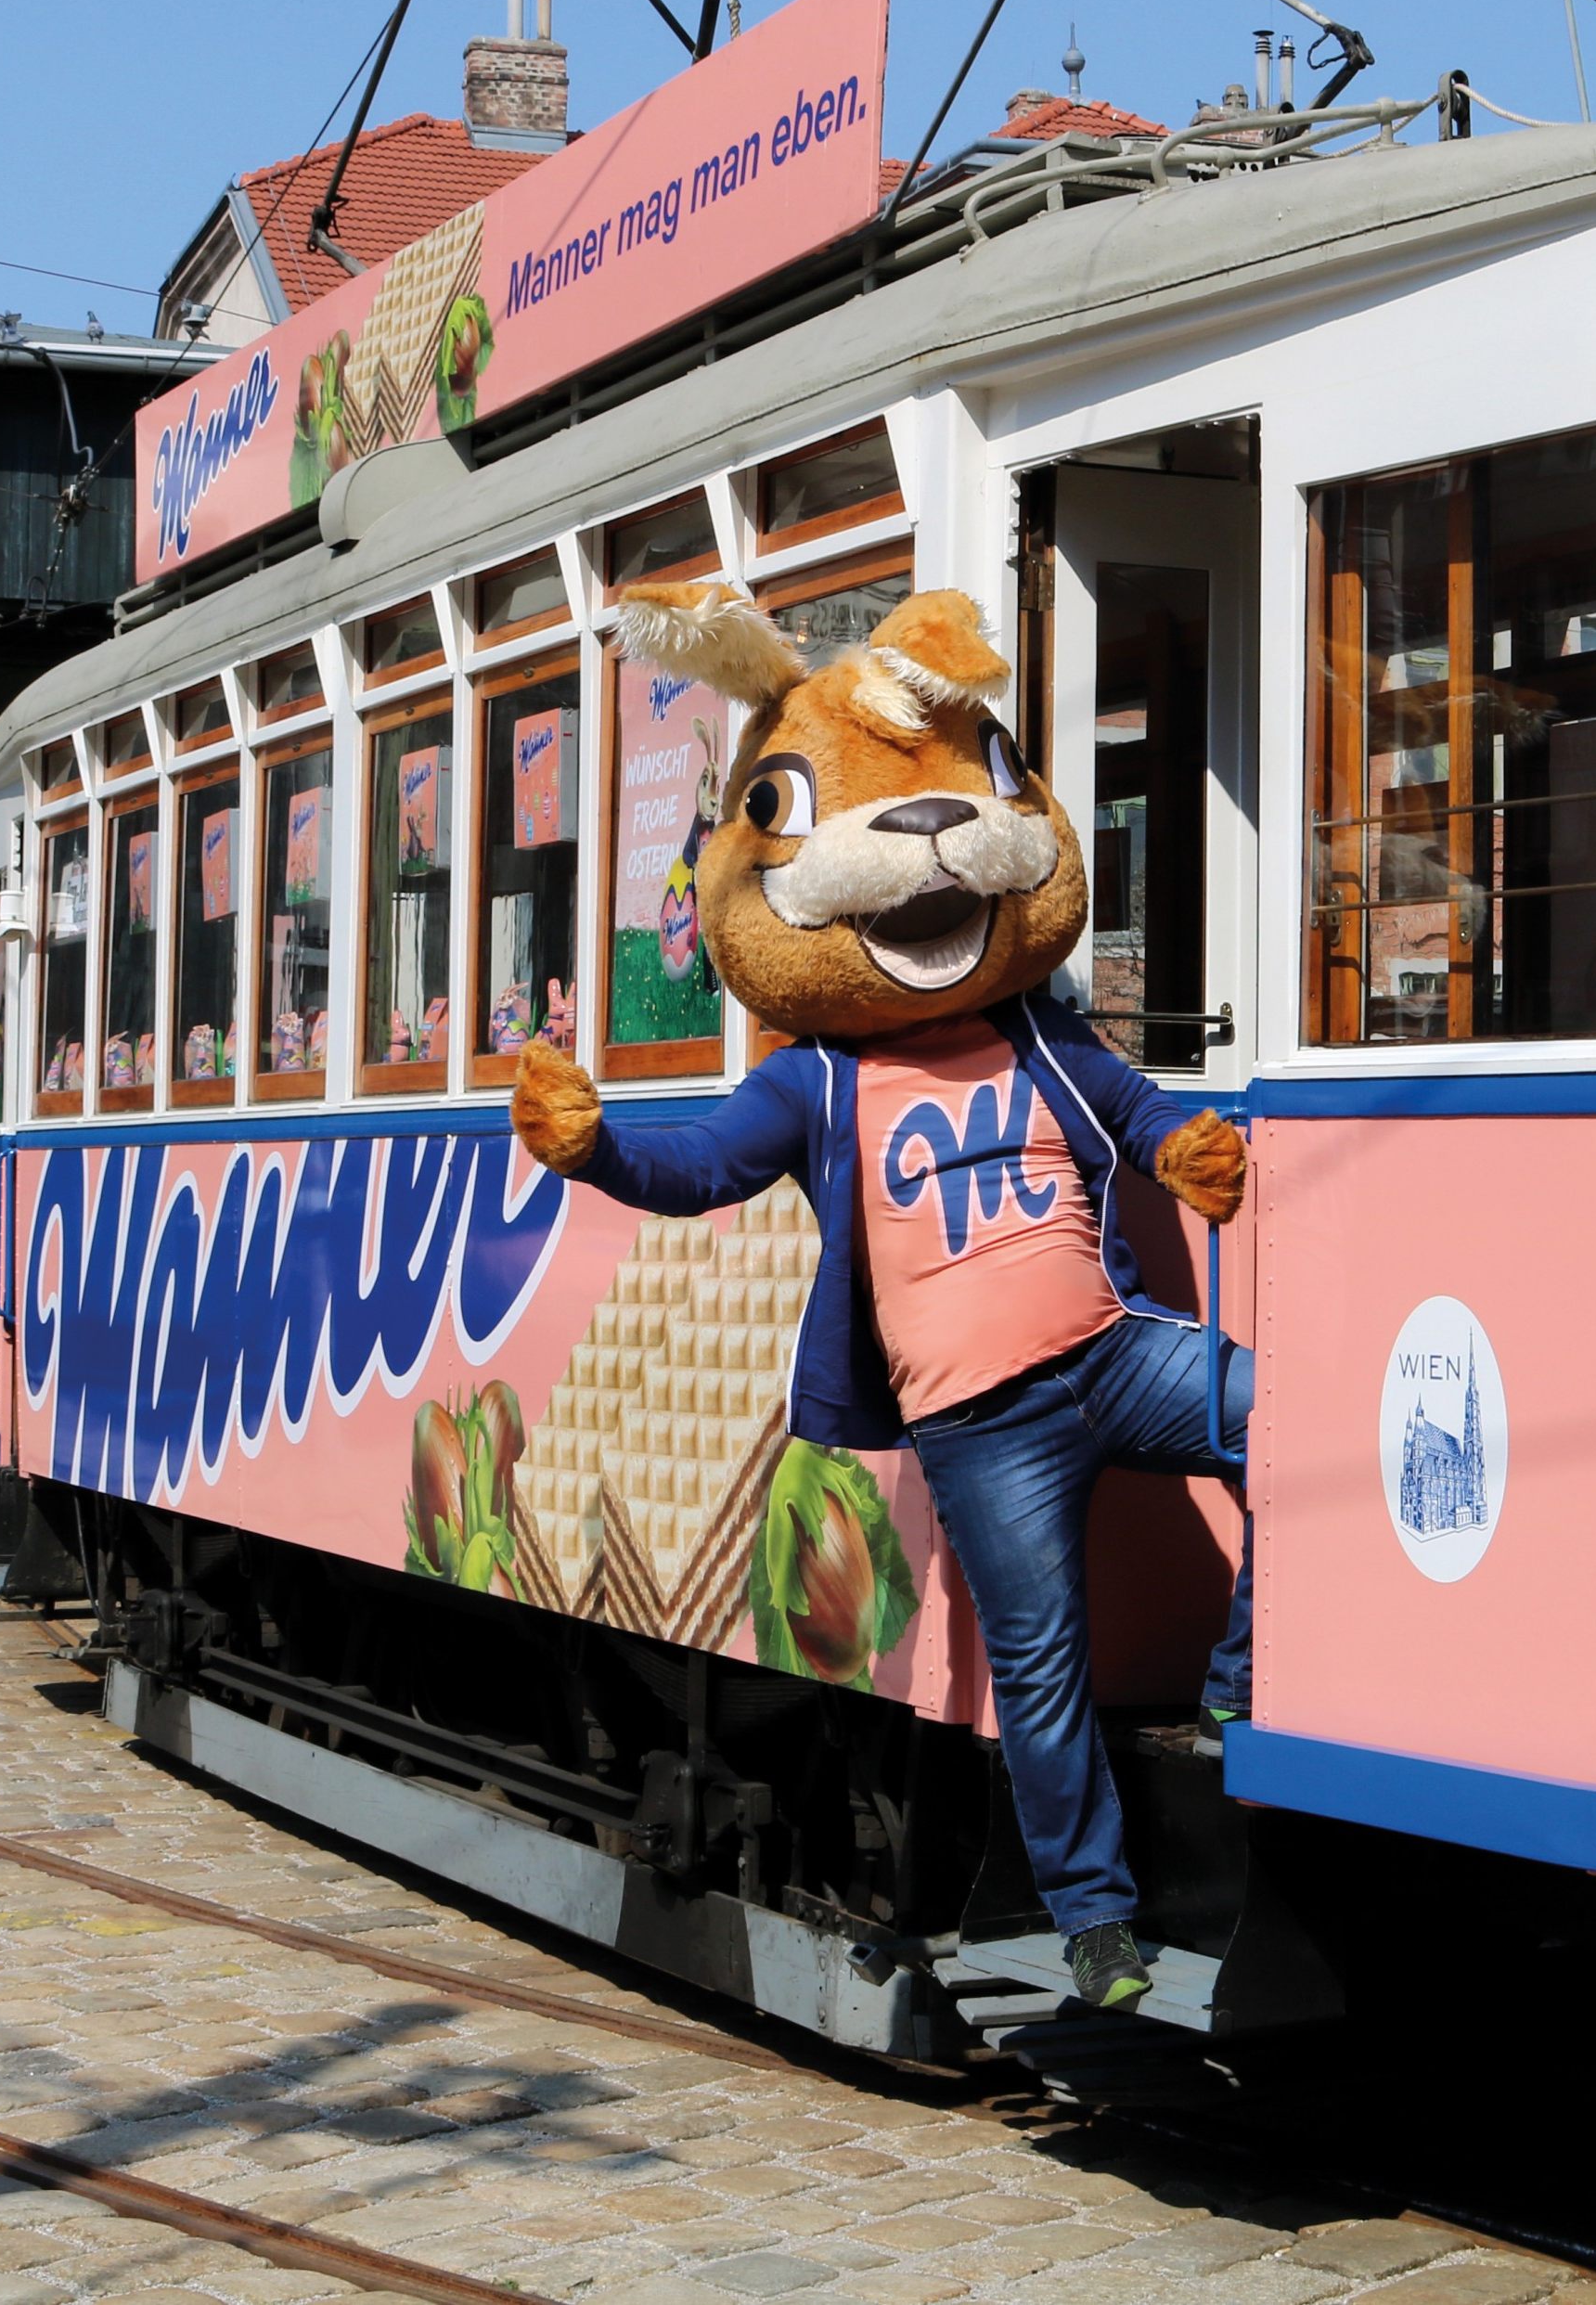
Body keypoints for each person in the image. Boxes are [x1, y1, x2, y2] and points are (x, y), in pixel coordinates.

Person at [509, 580, 1247, 2014]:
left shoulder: (1039, 1034)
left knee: (1294, 1427)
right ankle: (1094, 1922)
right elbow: (702, 1168)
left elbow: (1134, 1103)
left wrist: (1183, 1148)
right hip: (979, 1420)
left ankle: (1236, 1676)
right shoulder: (817, 1078)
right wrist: (595, 1151)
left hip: (1112, 1354)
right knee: (1041, 1669)